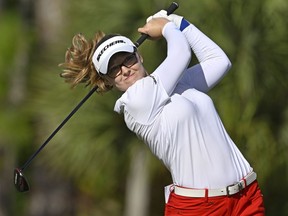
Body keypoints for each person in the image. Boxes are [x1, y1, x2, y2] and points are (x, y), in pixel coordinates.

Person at [60, 11, 265, 216]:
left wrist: (179, 22)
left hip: (246, 197)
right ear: (106, 80)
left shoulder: (176, 84)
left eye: (127, 59)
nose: (124, 69)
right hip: (199, 208)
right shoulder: (135, 102)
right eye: (113, 69)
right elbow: (181, 54)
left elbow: (219, 61)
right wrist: (167, 27)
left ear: (138, 55)